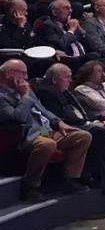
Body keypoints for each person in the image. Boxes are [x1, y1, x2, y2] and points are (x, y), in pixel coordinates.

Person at [0, 58, 93, 201]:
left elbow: (42, 109)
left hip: (44, 129)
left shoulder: (25, 89)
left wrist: (58, 122)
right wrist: (25, 96)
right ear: (8, 74)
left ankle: (69, 178)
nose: (26, 77)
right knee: (47, 144)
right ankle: (30, 186)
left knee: (83, 136)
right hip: (25, 134)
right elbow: (17, 118)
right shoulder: (3, 95)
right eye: (22, 73)